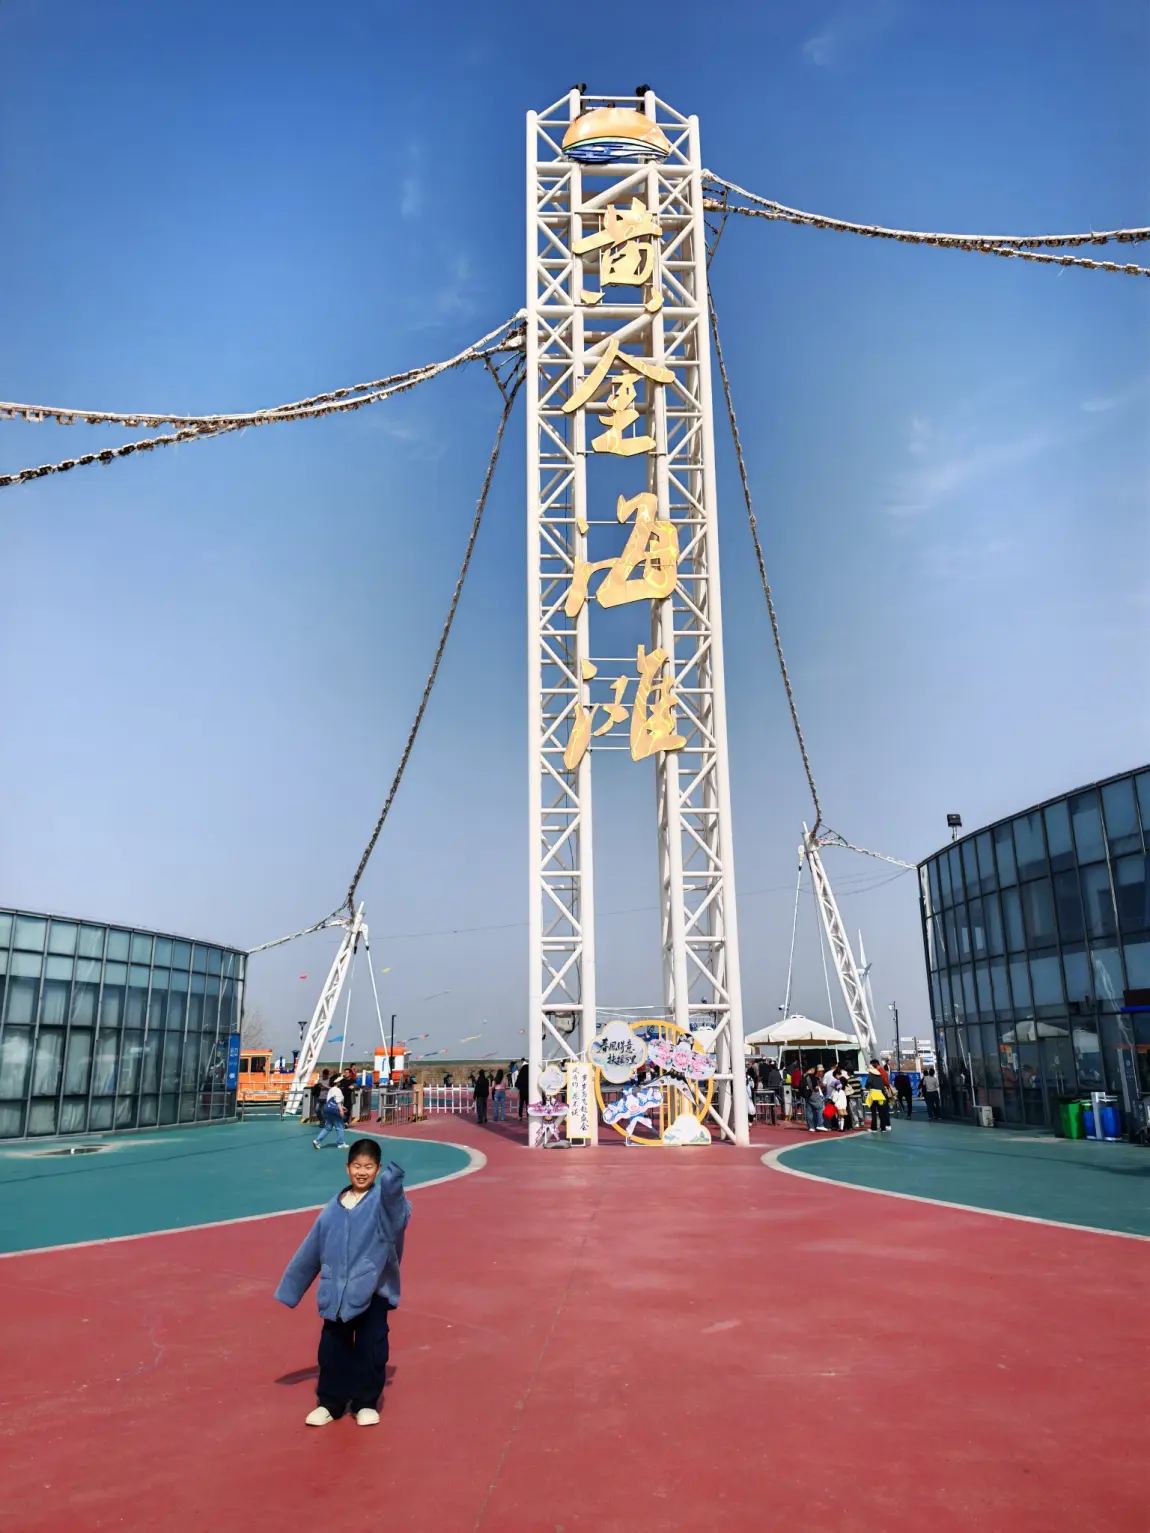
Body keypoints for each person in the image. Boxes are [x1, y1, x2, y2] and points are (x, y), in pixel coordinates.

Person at [275, 1139, 412, 1427]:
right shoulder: (332, 1208)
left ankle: (365, 1402)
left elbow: (399, 1214)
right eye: (357, 1166)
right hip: (335, 1292)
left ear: (377, 1170)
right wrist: (291, 1288)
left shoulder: (382, 1203)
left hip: (372, 1289)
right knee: (331, 1348)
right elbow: (311, 1248)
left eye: (369, 1167)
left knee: (371, 1347)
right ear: (347, 1168)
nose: (362, 1172)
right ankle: (331, 1402)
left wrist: (393, 1184)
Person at [313, 1075, 347, 1149]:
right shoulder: (338, 1090)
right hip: (334, 1110)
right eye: (340, 1081)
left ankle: (317, 1141)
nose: (341, 1082)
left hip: (327, 1109)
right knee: (339, 1127)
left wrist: (341, 1107)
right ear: (337, 1082)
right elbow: (338, 1101)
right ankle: (340, 1143)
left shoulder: (331, 1089)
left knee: (328, 1127)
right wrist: (341, 1110)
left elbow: (330, 1100)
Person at [865, 1059, 892, 1133]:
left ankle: (874, 1128)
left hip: (873, 1095)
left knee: (873, 1112)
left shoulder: (871, 1076)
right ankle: (883, 1128)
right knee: (881, 1111)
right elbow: (883, 1085)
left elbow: (868, 1083)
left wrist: (867, 1087)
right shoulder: (880, 1076)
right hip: (881, 1095)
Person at [798, 1065, 827, 1132]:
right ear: (811, 1069)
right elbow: (815, 1087)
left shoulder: (804, 1076)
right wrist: (819, 1086)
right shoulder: (812, 1076)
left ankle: (811, 1127)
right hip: (813, 1095)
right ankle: (820, 1124)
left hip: (806, 1095)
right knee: (820, 1108)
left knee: (809, 1111)